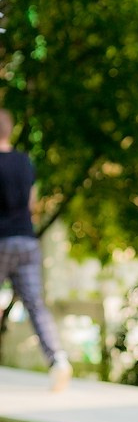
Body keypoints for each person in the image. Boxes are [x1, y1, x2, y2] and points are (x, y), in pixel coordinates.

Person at [0, 108, 71, 391]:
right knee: (36, 306)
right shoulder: (24, 162)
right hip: (27, 241)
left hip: (1, 240)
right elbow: (32, 204)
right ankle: (59, 360)